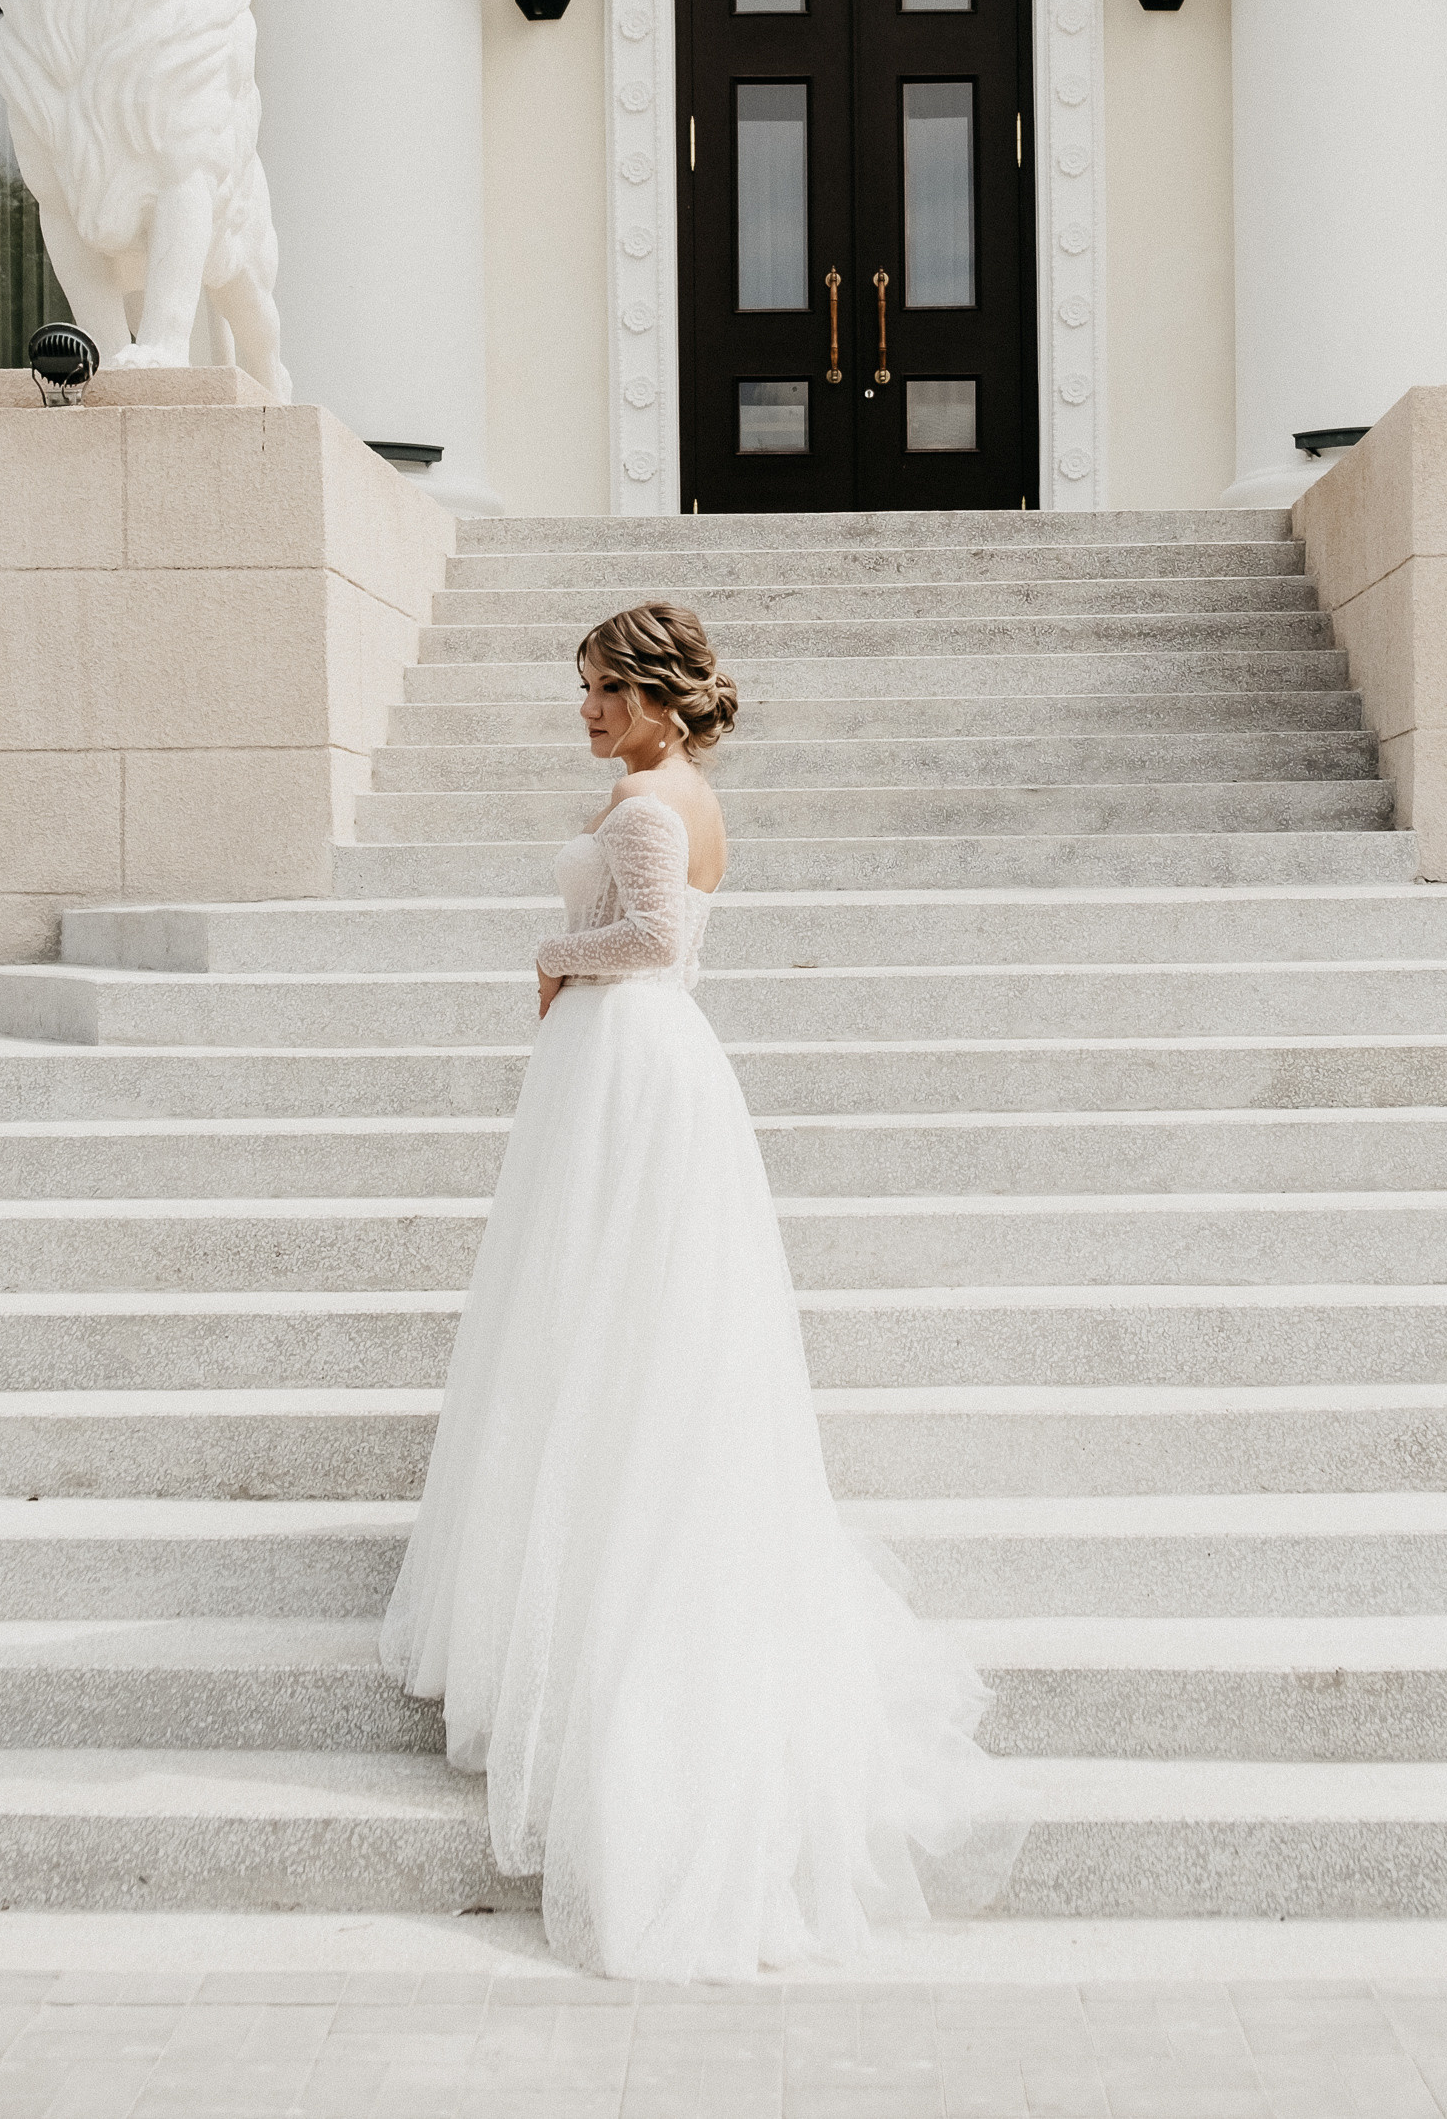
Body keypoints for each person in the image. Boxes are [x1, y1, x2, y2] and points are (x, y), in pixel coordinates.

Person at [379, 596, 1026, 1979]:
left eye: (610, 687)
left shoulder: (646, 811)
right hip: (644, 1065)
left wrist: (550, 954)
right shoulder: (678, 794)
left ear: (668, 697)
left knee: (611, 1323)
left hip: (633, 1056)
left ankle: (606, 1577)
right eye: (584, 688)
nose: (590, 709)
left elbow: (651, 944)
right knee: (620, 1325)